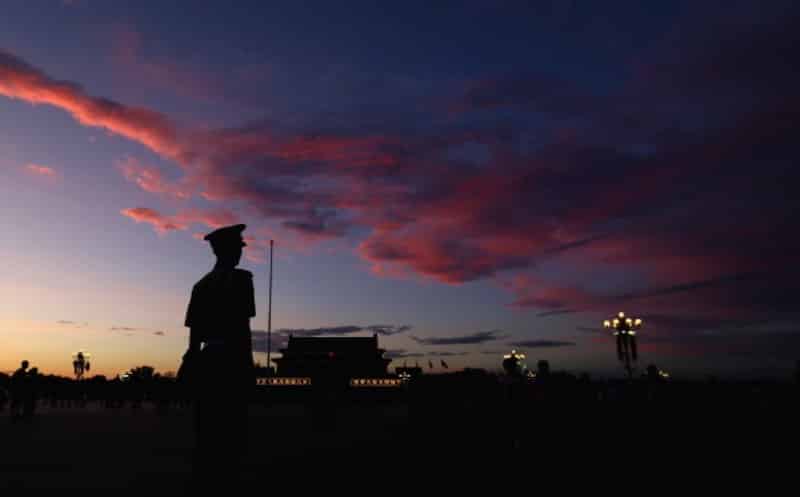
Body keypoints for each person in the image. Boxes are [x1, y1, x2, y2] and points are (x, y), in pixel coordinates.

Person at [182, 224, 255, 487]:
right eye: (237, 248)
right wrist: (247, 365)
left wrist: (191, 362)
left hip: (208, 359)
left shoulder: (200, 285)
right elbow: (242, 327)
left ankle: (206, 475)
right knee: (232, 424)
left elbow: (194, 335)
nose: (240, 253)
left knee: (207, 424)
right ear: (227, 251)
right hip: (232, 359)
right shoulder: (242, 280)